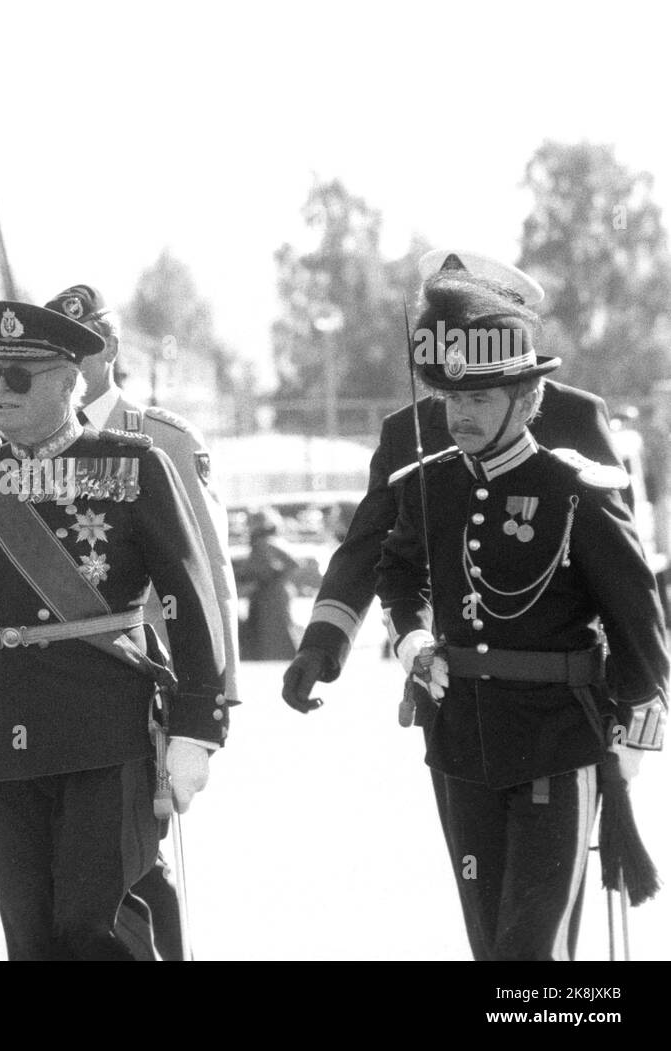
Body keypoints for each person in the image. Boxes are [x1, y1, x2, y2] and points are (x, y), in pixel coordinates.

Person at [0, 300, 230, 961]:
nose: (0, 391)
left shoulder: (132, 469)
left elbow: (192, 602)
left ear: (67, 380)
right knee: (31, 938)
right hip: (0, 745)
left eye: (19, 378)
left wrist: (198, 726)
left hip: (103, 737)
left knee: (94, 928)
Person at [375, 267, 667, 960]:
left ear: (528, 395)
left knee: (529, 957)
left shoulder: (577, 491)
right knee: (492, 951)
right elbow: (398, 571)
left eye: (481, 396)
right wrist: (413, 637)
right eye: (451, 397)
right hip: (460, 744)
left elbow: (638, 618)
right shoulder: (429, 485)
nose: (461, 413)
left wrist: (634, 730)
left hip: (557, 744)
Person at [283, 250, 624, 714]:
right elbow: (370, 547)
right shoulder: (410, 429)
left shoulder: (572, 414)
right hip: (454, 684)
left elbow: (617, 563)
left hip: (569, 693)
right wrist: (321, 645)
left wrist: (630, 702)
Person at [45, 282, 241, 960]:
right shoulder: (20, 443)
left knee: (138, 859)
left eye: (85, 342)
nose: (74, 356)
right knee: (72, 865)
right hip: (54, 688)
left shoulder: (160, 439)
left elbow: (209, 572)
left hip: (146, 683)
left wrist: (211, 706)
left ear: (110, 349)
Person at [236, 507, 298, 660]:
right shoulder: (257, 546)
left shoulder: (268, 542)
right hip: (260, 597)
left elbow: (293, 564)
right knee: (261, 634)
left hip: (273, 597)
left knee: (278, 631)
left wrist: (274, 579)